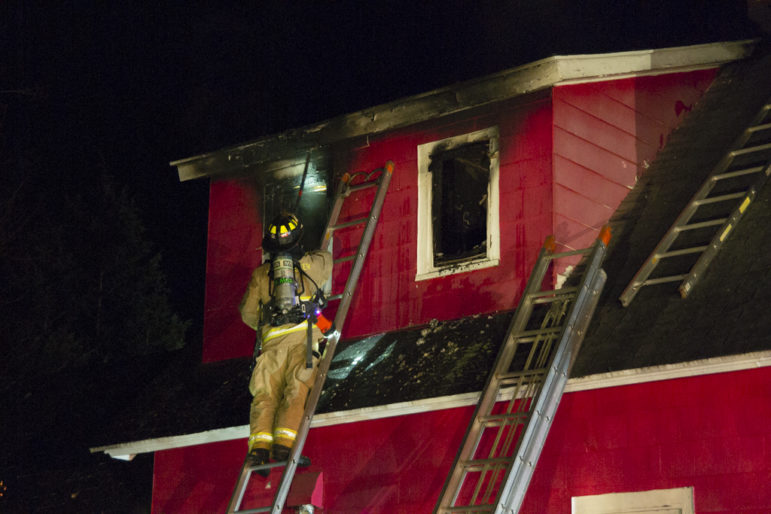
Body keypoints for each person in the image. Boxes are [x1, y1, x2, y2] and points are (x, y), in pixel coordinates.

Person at [239, 212, 333, 469]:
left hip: (270, 349)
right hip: (303, 342)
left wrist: (269, 328)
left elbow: (247, 313)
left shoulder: (261, 275)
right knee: (296, 392)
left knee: (265, 396)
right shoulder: (312, 264)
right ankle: (283, 448)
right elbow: (326, 261)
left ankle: (258, 451)